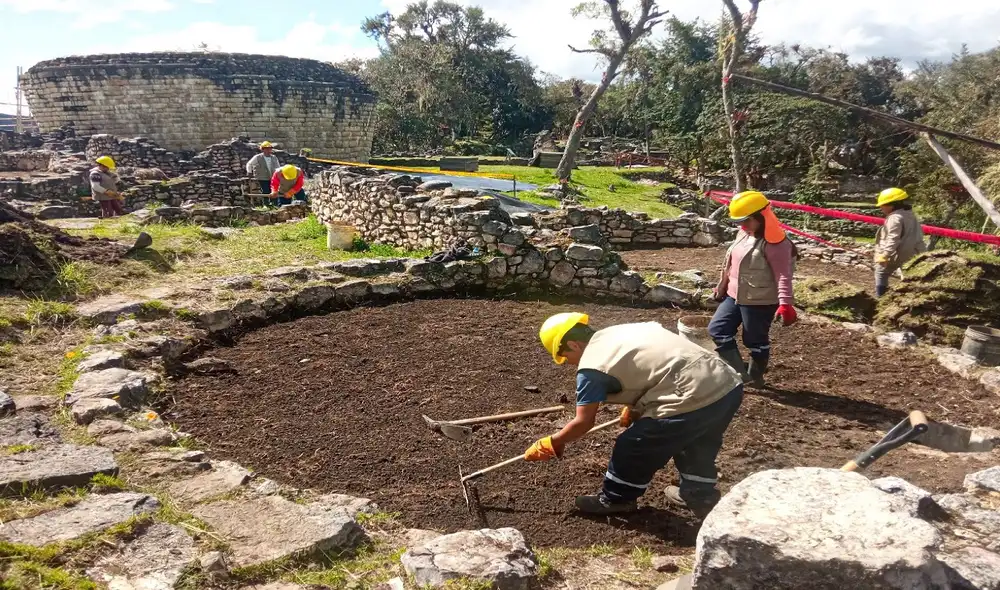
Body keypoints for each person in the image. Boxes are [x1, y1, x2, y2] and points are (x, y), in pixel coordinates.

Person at [524, 313, 745, 516]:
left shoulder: (591, 367)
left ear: (573, 344)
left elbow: (584, 421)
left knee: (634, 445)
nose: (568, 363)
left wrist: (554, 441)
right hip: (726, 383)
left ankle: (616, 499)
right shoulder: (621, 331)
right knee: (697, 440)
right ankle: (699, 494)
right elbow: (654, 365)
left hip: (691, 393)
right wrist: (636, 407)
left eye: (564, 356)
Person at [709, 191, 797, 387]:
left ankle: (756, 378)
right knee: (717, 330)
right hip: (733, 296)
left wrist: (786, 304)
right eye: (739, 221)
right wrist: (722, 285)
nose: (742, 225)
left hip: (760, 300)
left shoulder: (778, 245)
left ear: (762, 217)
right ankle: (740, 374)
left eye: (747, 221)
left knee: (755, 340)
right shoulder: (743, 234)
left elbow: (784, 275)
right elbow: (731, 264)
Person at [874, 187, 926, 297]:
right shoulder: (909, 214)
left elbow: (893, 237)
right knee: (909, 277)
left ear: (891, 205)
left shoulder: (894, 218)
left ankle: (880, 299)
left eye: (883, 205)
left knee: (881, 272)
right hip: (916, 252)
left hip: (901, 253)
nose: (881, 208)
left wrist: (885, 255)